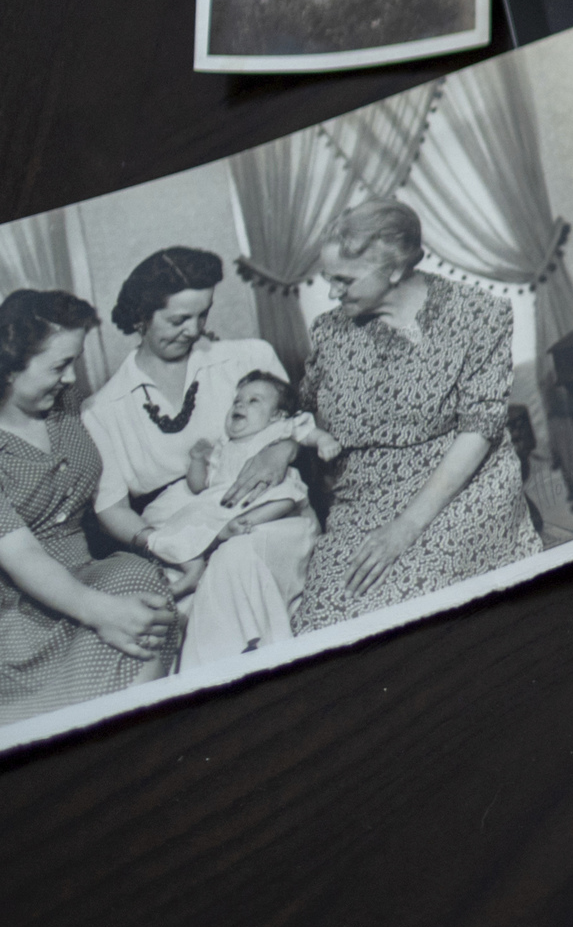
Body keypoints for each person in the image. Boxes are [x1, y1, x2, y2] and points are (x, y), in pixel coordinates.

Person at [291, 202, 544, 632]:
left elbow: (480, 429)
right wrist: (281, 445)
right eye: (328, 279)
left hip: (463, 484)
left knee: (419, 600)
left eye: (343, 280)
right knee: (326, 619)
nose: (332, 293)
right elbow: (303, 408)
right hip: (365, 496)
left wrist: (406, 527)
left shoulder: (479, 314)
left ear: (393, 270)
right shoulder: (330, 332)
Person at [80, 249, 316, 671]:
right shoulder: (103, 409)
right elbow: (110, 508)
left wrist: (282, 449)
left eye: (202, 314)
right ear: (141, 317)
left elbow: (294, 424)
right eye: (177, 320)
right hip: (177, 541)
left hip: (267, 516)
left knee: (236, 559)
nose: (194, 330)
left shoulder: (248, 357)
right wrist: (168, 545)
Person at [0, 290, 176, 727]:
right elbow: (20, 555)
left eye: (74, 361)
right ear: (7, 367)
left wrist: (167, 547)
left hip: (88, 577)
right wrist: (104, 613)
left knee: (143, 586)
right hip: (20, 615)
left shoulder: (67, 404)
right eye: (59, 365)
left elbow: (109, 498)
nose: (71, 377)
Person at [136, 375, 333, 666]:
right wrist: (198, 460)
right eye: (238, 401)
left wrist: (324, 441)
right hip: (224, 504)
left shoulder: (276, 432)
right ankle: (187, 582)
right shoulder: (222, 446)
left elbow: (305, 432)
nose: (241, 405)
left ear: (276, 414)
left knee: (282, 496)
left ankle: (239, 529)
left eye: (254, 401)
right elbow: (198, 486)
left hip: (268, 497)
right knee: (188, 524)